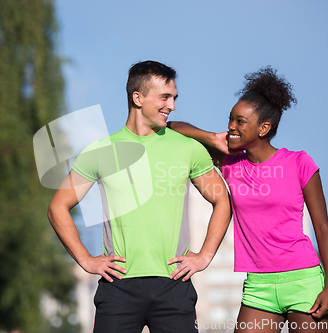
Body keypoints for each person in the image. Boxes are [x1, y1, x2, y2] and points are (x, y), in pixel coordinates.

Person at [47, 60, 231, 333]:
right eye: (165, 97)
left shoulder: (188, 149)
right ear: (138, 98)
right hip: (118, 287)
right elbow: (57, 207)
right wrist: (86, 260)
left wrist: (205, 255)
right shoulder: (101, 151)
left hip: (174, 285)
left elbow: (222, 200)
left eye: (174, 98)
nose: (172, 106)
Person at [169, 67, 328, 333]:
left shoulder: (299, 163)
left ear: (264, 127)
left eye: (240, 121)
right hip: (258, 286)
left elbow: (322, 228)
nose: (231, 127)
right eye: (230, 120)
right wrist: (212, 137)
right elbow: (173, 128)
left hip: (304, 280)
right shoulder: (231, 164)